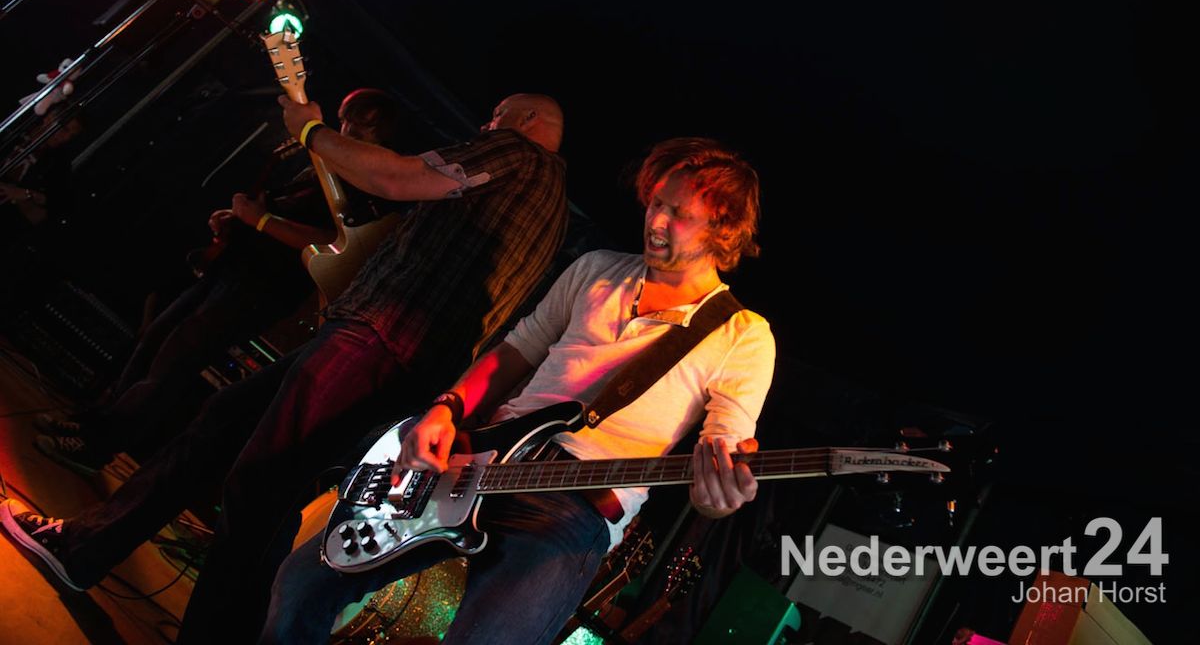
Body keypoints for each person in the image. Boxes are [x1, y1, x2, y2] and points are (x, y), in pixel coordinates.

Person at [0, 91, 568, 643]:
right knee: (224, 424)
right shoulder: (553, 211)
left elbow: (396, 177)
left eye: (498, 114)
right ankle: (83, 549)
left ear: (527, 119)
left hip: (380, 337)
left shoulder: (518, 153)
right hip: (394, 348)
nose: (487, 125)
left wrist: (310, 130)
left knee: (263, 489)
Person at [262, 136, 775, 645]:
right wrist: (446, 409)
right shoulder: (596, 269)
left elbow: (723, 453)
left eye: (678, 214)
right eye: (656, 202)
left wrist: (718, 498)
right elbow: (516, 351)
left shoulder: (743, 335)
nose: (656, 220)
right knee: (305, 581)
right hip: (482, 458)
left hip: (574, 505)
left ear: (723, 230)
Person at [31, 88, 405, 476]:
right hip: (235, 267)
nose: (348, 131)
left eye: (364, 127)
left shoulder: (369, 186)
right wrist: (238, 219)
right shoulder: (324, 164)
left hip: (264, 287)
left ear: (385, 136)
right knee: (153, 342)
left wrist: (261, 221)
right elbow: (283, 212)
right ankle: (91, 424)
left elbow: (334, 242)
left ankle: (96, 447)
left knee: (172, 363)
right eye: (346, 120)